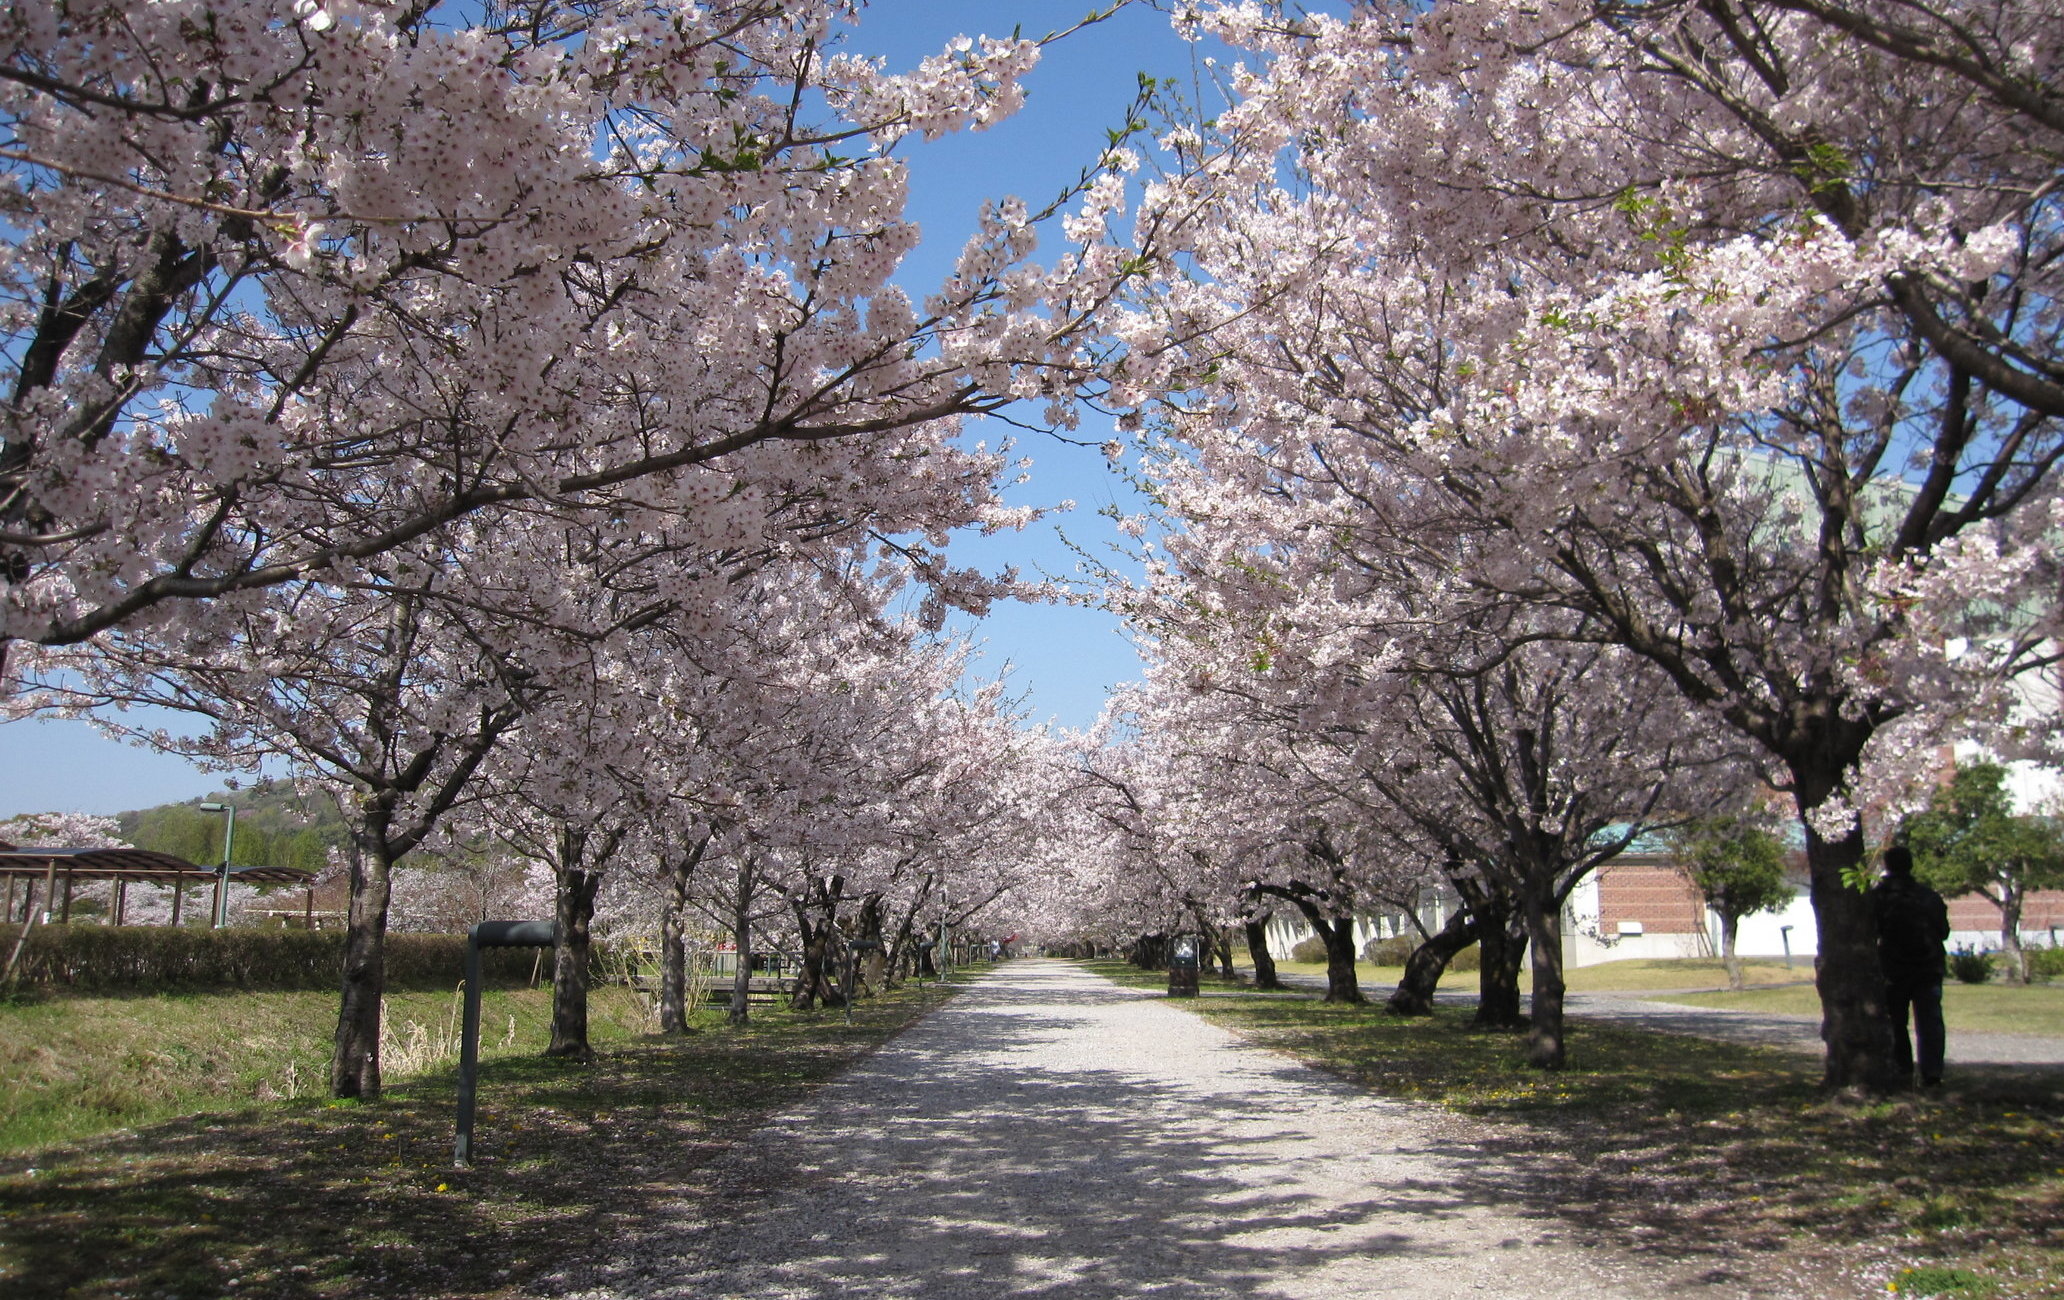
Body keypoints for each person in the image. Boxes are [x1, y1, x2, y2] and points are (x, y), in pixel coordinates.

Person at [1870, 844, 1952, 1087]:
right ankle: (1932, 1073)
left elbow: (1872, 931)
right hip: (1928, 966)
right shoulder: (1929, 896)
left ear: (1887, 865)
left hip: (1894, 968)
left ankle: (1902, 1069)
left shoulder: (1879, 896)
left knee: (1896, 1021)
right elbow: (1944, 932)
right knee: (1930, 1021)